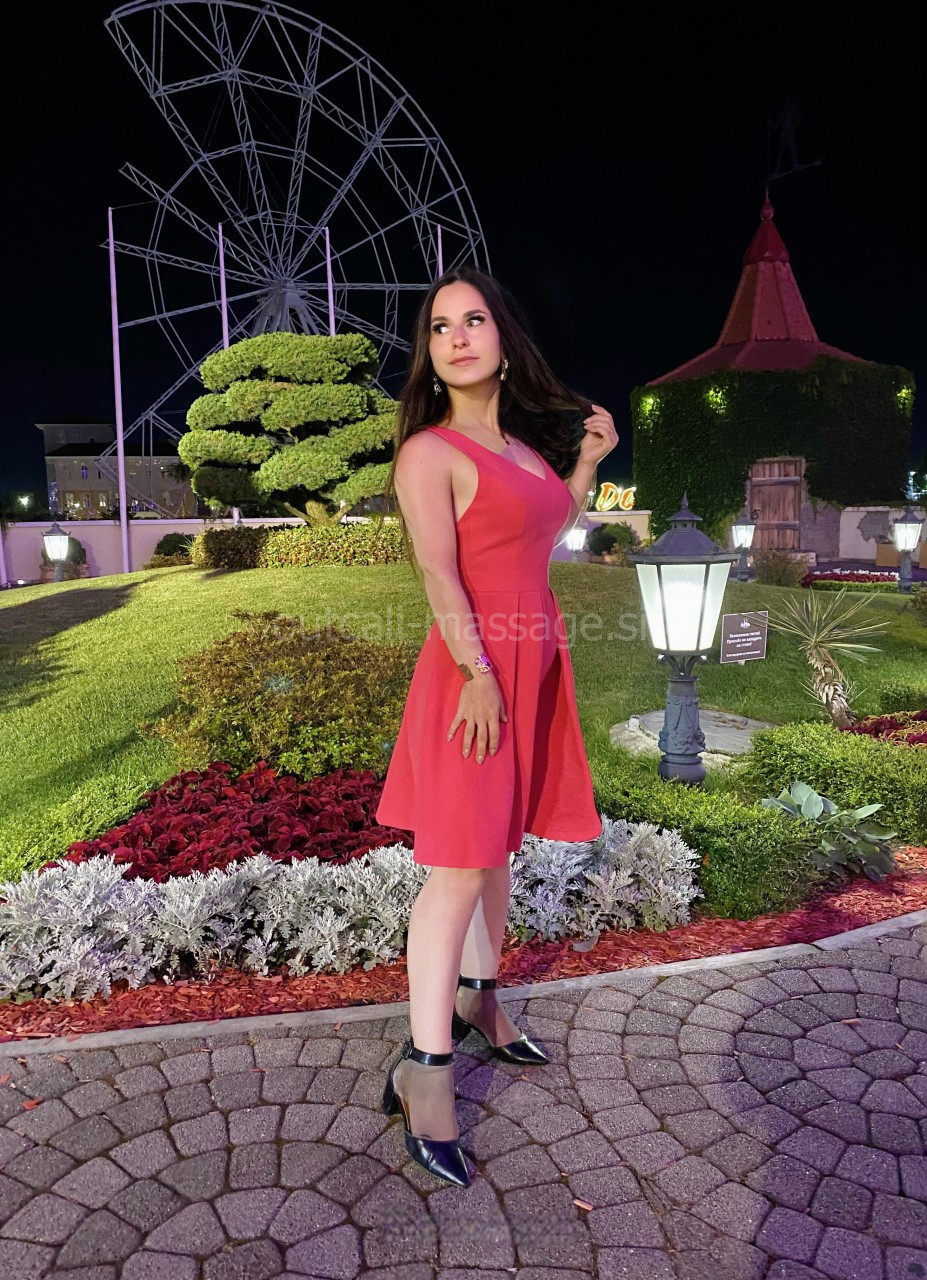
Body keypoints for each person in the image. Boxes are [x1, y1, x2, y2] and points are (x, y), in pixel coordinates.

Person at [374, 266, 617, 1187]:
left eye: (474, 320)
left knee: (497, 852)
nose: (458, 338)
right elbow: (440, 574)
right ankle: (425, 1072)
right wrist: (478, 672)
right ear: (430, 356)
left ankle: (480, 1001)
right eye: (440, 328)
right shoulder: (429, 452)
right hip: (473, 670)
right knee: (458, 868)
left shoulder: (516, 450)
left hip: (531, 662)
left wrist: (585, 466)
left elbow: (542, 531)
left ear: (504, 342)